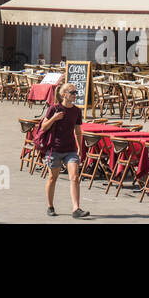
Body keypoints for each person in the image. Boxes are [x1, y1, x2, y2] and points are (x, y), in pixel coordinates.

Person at [39, 82, 89, 219]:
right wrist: (54, 118)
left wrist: (80, 147)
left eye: (75, 92)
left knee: (75, 177)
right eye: (72, 92)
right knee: (52, 178)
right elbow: (43, 127)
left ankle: (76, 208)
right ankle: (50, 206)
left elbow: (78, 131)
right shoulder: (54, 109)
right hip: (54, 149)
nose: (75, 95)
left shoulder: (77, 111)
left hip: (70, 149)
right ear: (64, 94)